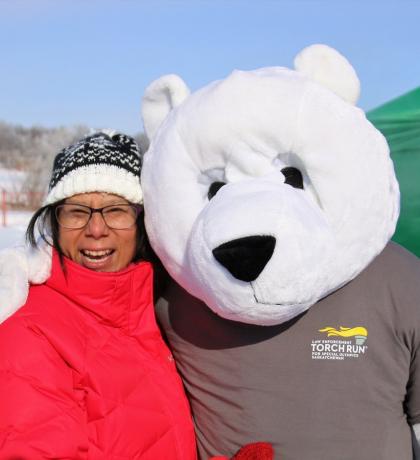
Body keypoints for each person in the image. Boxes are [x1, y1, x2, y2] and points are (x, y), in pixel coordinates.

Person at [0, 132, 197, 459]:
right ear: (55, 221)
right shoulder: (30, 333)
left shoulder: (151, 312)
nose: (95, 229)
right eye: (77, 211)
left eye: (115, 210)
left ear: (142, 223)